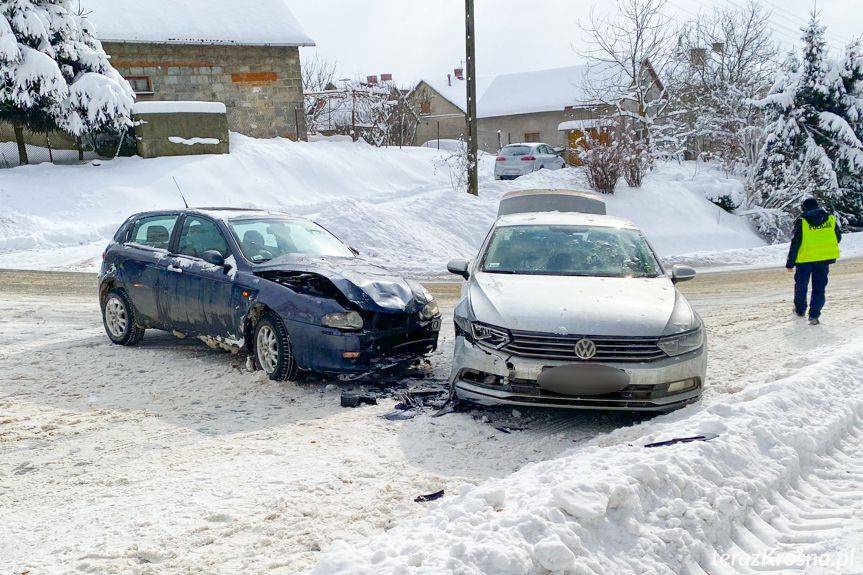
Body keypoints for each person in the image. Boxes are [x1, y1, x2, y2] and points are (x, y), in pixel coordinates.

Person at [786, 197, 842, 325]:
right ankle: (814, 315)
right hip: (823, 260)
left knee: (801, 286)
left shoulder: (802, 221)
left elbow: (796, 243)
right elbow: (837, 238)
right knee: (819, 288)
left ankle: (800, 310)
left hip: (804, 260)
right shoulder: (830, 219)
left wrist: (790, 263)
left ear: (804, 208)